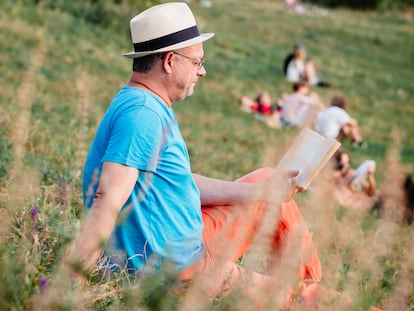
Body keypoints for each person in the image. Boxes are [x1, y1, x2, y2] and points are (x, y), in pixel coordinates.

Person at [68, 2, 324, 307]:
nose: (202, 71)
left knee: (268, 182)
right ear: (169, 61)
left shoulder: (146, 104)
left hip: (183, 239)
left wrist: (260, 191)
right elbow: (106, 199)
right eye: (196, 62)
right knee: (309, 301)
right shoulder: (143, 115)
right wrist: (72, 285)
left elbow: (178, 181)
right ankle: (307, 296)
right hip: (178, 270)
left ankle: (308, 282)